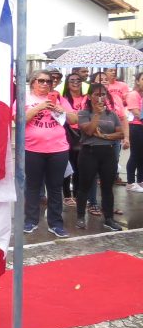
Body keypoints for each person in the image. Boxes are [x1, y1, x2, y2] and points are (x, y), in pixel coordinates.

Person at [22, 69, 77, 238]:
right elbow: (19, 119)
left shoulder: (59, 98)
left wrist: (62, 110)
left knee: (55, 187)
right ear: (33, 82)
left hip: (58, 149)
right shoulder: (24, 98)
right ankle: (31, 221)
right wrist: (40, 107)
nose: (45, 84)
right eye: (41, 80)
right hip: (32, 149)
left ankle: (56, 224)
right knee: (32, 187)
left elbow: (74, 120)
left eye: (49, 81)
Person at [76, 83, 124, 232]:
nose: (100, 98)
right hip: (89, 152)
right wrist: (96, 115)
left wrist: (104, 136)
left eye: (103, 94)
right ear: (89, 97)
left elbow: (120, 133)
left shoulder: (112, 114)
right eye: (97, 94)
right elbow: (89, 131)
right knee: (84, 185)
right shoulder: (84, 113)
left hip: (108, 152)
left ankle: (109, 218)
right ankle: (80, 217)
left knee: (107, 187)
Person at [61, 72, 88, 206]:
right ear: (67, 83)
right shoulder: (63, 99)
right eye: (72, 80)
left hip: (85, 133)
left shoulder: (87, 98)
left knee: (80, 167)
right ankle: (67, 195)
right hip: (69, 134)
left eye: (78, 80)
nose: (75, 82)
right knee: (68, 166)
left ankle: (77, 195)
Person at [124, 72, 143, 192]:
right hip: (136, 127)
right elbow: (136, 112)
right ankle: (130, 182)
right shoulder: (133, 94)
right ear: (137, 81)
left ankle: (140, 181)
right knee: (135, 155)